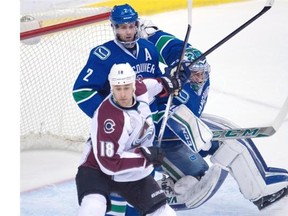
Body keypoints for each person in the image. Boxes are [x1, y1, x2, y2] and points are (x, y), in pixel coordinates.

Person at [140, 19, 288, 210]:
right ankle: (161, 194)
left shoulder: (192, 60)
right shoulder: (167, 87)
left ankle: (263, 190)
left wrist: (152, 34)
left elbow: (174, 46)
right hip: (163, 144)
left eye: (203, 74)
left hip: (190, 130)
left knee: (232, 140)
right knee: (196, 178)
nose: (200, 78)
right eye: (195, 75)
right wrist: (192, 134)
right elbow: (154, 122)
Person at [72, 4, 190, 215]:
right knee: (112, 189)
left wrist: (172, 78)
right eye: (121, 27)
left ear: (137, 25)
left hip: (144, 129)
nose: (127, 31)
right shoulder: (104, 55)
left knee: (141, 182)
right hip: (116, 131)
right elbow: (82, 92)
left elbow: (153, 85)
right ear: (113, 28)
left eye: (131, 26)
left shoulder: (148, 49)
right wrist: (110, 117)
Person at [75, 63, 178, 215]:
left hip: (131, 171)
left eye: (126, 88)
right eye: (118, 89)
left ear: (133, 86)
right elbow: (110, 163)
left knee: (164, 213)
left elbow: (149, 85)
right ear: (112, 88)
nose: (122, 94)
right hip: (97, 169)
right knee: (94, 207)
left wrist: (166, 84)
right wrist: (145, 157)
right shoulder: (109, 118)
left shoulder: (140, 89)